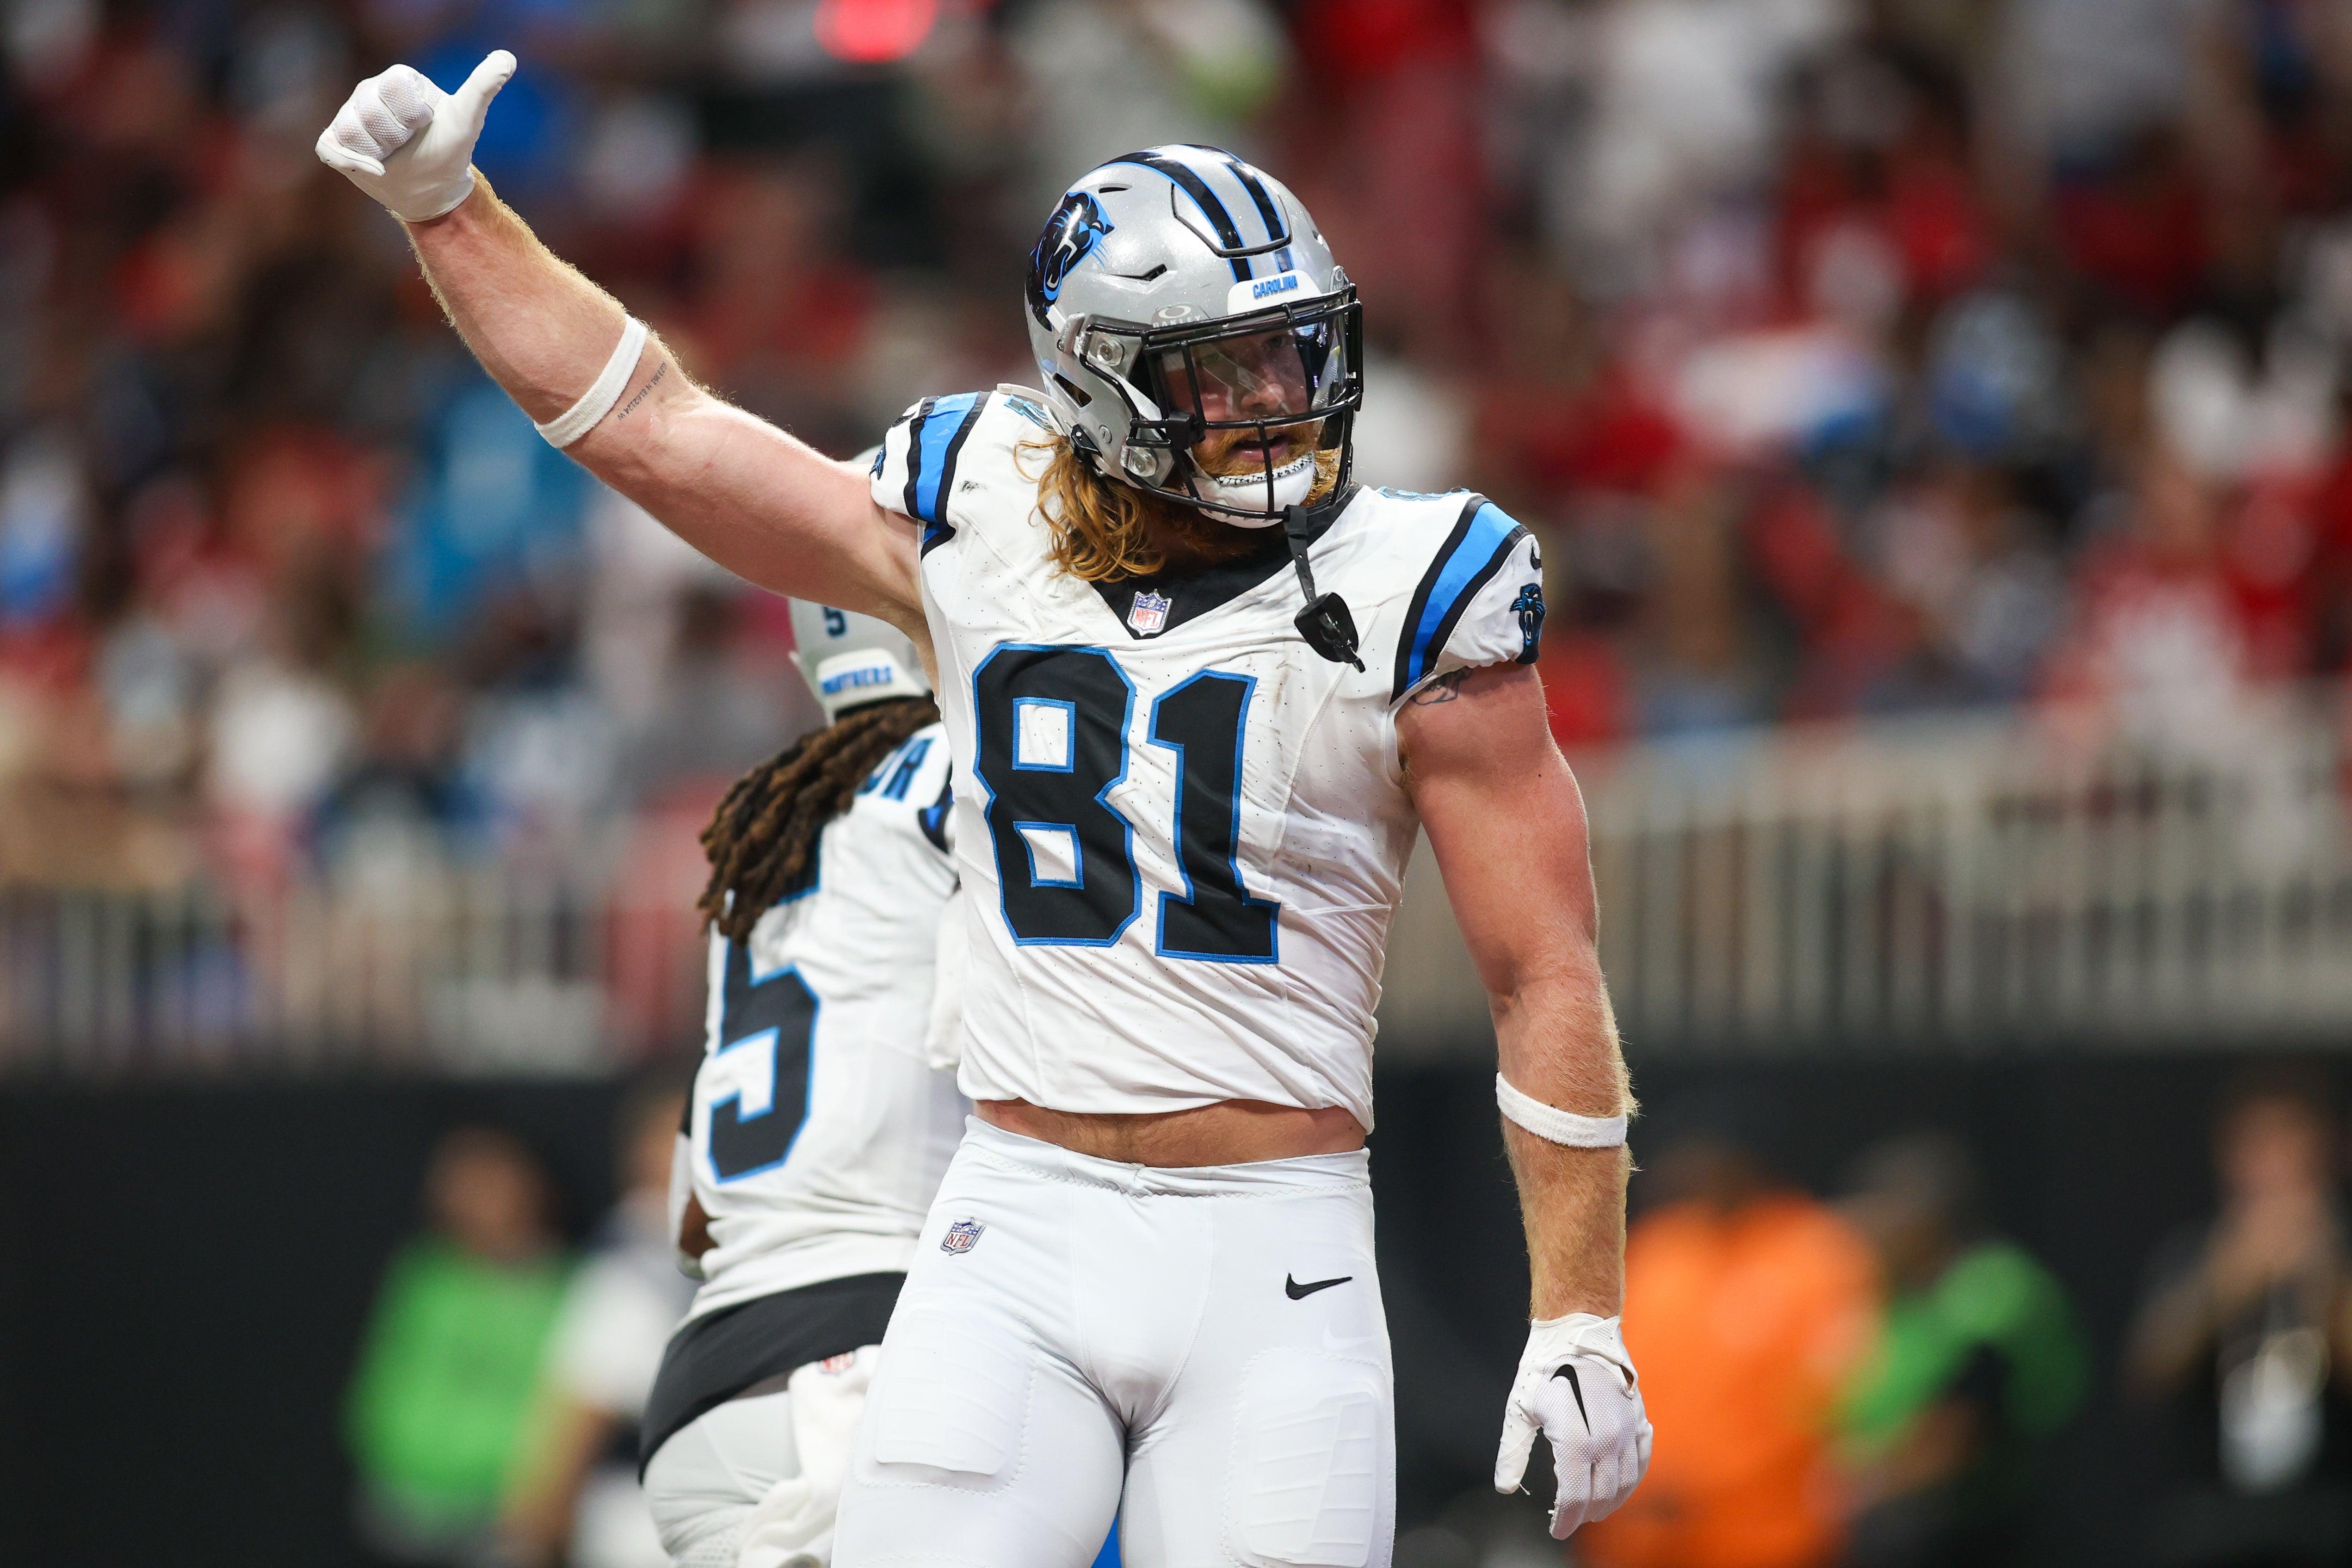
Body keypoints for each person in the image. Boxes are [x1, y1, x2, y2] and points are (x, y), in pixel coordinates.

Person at [317, 56, 1647, 1566]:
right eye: (1229, 372)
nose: (1281, 404)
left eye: (1295, 355)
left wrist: (1580, 1309)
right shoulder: (980, 504)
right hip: (1017, 1223)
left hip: (1279, 1251)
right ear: (1096, 382)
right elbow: (660, 430)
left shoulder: (1424, 584)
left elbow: (1543, 972)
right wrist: (449, 210)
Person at [634, 603, 966, 1568]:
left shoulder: (762, 837)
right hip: (867, 1361)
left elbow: (692, 1226)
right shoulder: (963, 772)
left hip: (703, 1396)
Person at [1577, 1098, 1877, 1568]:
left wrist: (1701, 1483)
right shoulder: (1659, 1248)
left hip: (1764, 1535)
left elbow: (1828, 1399)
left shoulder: (1818, 1256)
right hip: (1640, 1533)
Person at [2125, 1069, 2352, 1568]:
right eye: (2258, 1148)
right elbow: (2152, 1371)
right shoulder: (2194, 1254)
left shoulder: (2340, 1257)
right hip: (2214, 1515)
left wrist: (2323, 1281)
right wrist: (2226, 1282)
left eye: (2291, 1147)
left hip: (2329, 1513)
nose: (2274, 1169)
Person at [1836, 1132, 2087, 1568]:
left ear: (1920, 1220)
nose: (1864, 1235)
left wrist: (1849, 1491)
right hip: (1891, 1531)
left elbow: (1959, 1429)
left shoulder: (1994, 1289)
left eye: (1878, 1216)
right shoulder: (1894, 1304)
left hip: (1977, 1531)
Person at [346, 1125, 571, 1568]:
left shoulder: (574, 1287)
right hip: (409, 1508)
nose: (480, 1196)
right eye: (463, 1181)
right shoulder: (423, 1280)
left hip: (519, 1516)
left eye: (495, 1179)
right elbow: (382, 1406)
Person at [501, 1082, 699, 1568]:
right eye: (677, 1139)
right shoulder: (638, 1260)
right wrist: (528, 1535)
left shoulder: (725, 1242)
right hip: (644, 1536)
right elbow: (577, 1415)